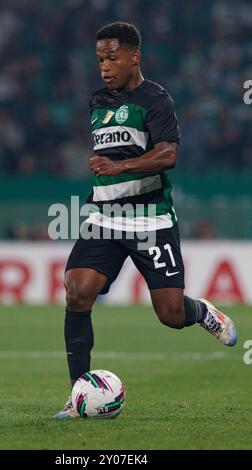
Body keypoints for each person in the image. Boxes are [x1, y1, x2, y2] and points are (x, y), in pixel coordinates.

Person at [53, 22, 237, 419]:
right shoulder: (97, 100)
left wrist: (120, 168)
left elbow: (168, 155)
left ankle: (202, 312)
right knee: (77, 292)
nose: (104, 66)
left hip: (151, 219)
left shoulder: (156, 100)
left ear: (134, 56)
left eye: (112, 58)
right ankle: (78, 393)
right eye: (100, 58)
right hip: (104, 215)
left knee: (170, 314)